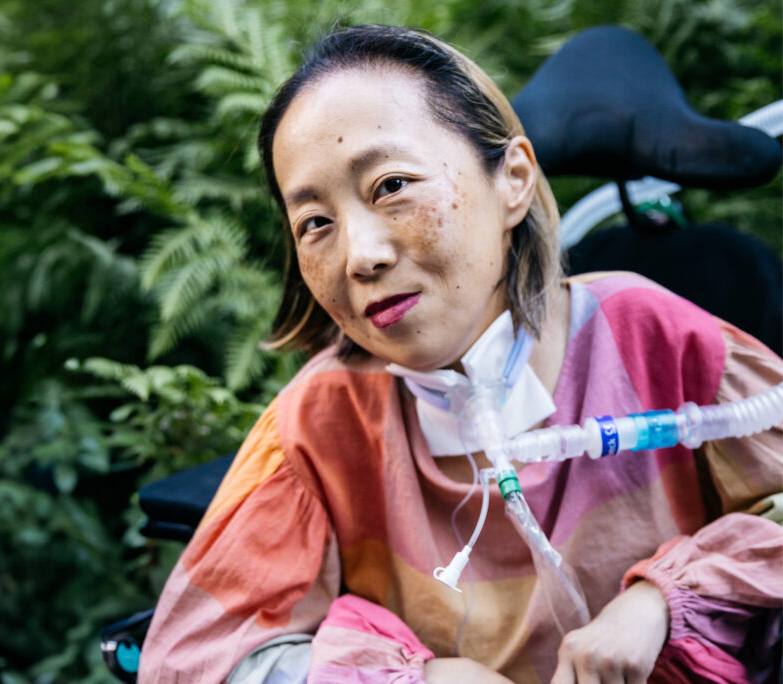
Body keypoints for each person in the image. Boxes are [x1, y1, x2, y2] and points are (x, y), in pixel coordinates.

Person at [138, 24, 783, 684]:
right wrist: (416, 680)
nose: (361, 256)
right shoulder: (319, 422)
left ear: (513, 180)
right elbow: (188, 660)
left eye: (391, 185)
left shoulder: (647, 334)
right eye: (315, 223)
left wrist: (663, 600)